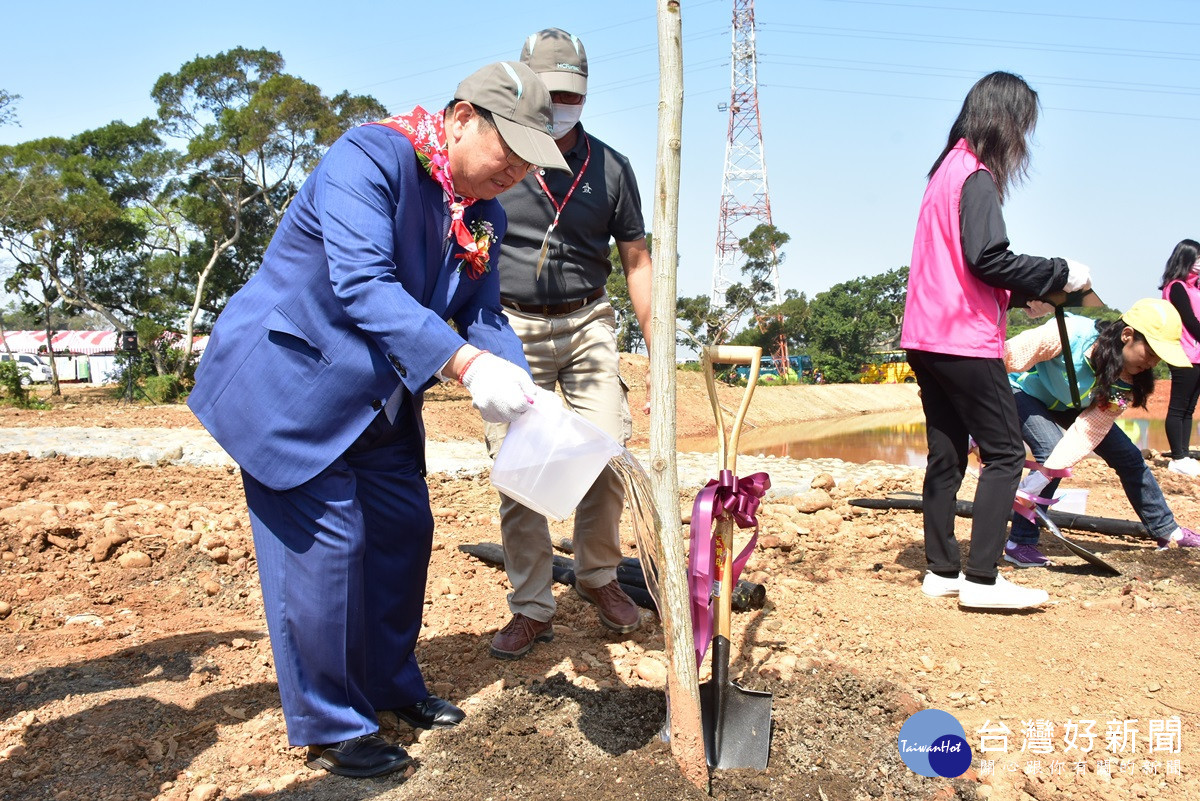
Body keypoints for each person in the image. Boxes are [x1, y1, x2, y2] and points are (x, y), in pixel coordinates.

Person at [187, 61, 569, 779]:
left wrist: (517, 377)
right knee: (325, 550)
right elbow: (362, 282)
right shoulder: (370, 157)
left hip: (379, 404)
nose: (515, 171)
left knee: (403, 530)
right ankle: (335, 721)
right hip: (292, 389)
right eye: (507, 150)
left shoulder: (485, 213)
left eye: (530, 160)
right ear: (460, 120)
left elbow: (480, 314)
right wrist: (463, 366)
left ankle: (392, 682)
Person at [484, 28, 653, 660]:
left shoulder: (611, 168)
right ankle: (531, 605)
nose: (562, 103)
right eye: (550, 92)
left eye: (572, 94)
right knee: (522, 470)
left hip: (587, 323)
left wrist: (658, 350)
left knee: (608, 452)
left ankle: (599, 576)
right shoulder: (499, 160)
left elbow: (637, 259)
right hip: (514, 326)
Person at [900, 71, 1091, 611]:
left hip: (924, 336)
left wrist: (1016, 291)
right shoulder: (976, 176)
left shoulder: (944, 171)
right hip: (962, 337)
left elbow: (962, 265)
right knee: (1006, 451)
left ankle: (942, 569)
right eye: (1022, 125)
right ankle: (982, 579)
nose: (1023, 140)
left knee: (946, 454)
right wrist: (1059, 272)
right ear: (1003, 121)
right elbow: (987, 257)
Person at [1004, 299, 1200, 565]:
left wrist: (1049, 470)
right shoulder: (1066, 334)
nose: (1153, 363)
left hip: (1070, 404)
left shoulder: (1127, 380)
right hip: (1023, 390)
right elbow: (1002, 358)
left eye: (1159, 358)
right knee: (1049, 448)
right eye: (1151, 352)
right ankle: (1020, 541)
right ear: (1127, 335)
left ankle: (1167, 530)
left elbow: (1088, 430)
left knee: (1129, 457)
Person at [1159, 239, 1200, 477]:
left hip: (1197, 355)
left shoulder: (1195, 287)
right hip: (1183, 353)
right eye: (1196, 259)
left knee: (1189, 407)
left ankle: (1184, 454)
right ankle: (1177, 457)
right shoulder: (1176, 287)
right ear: (1185, 260)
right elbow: (1190, 322)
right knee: (1178, 406)